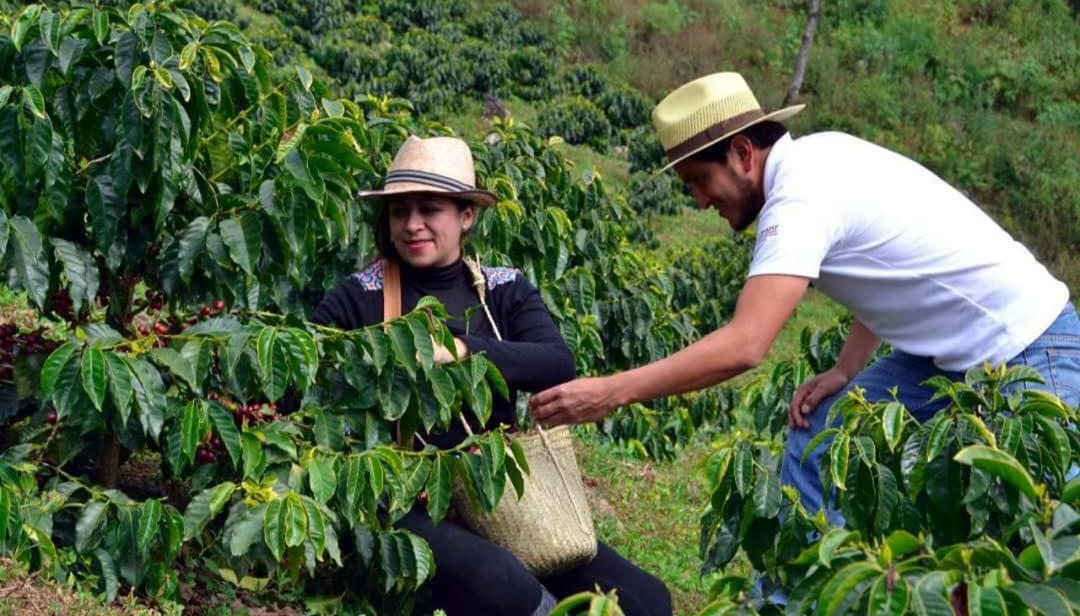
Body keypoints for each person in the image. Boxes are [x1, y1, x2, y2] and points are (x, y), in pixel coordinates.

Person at [529, 71, 1080, 521]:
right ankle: (801, 595)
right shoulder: (823, 155)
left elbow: (745, 345)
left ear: (743, 152)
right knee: (820, 438)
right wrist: (847, 368)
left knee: (1048, 531)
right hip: (948, 354)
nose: (700, 202)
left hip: (1029, 352)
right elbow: (890, 266)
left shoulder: (798, 202)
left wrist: (610, 393)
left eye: (699, 181)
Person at [311, 136, 672, 616]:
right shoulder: (359, 297)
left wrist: (462, 349)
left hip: (496, 495)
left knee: (647, 598)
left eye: (429, 209)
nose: (412, 225)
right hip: (405, 500)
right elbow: (306, 389)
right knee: (506, 588)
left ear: (467, 216)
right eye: (399, 212)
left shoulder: (503, 289)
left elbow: (555, 363)